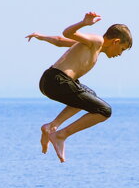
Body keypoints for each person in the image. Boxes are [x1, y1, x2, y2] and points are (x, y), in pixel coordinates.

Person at [26, 12, 132, 162]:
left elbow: (60, 41)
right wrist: (83, 23)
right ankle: (61, 135)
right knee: (104, 110)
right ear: (116, 41)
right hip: (58, 81)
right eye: (122, 49)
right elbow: (67, 33)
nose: (120, 54)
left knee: (89, 95)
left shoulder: (90, 46)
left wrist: (41, 36)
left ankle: (51, 127)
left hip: (48, 81)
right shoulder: (96, 41)